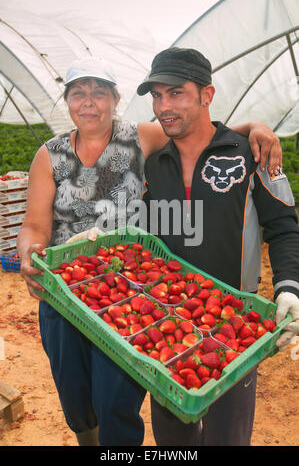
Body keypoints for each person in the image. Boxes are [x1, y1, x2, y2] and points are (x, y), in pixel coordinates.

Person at [17, 56, 285, 447]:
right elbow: (34, 226)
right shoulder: (49, 155)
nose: (88, 102)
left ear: (116, 99)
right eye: (78, 93)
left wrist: (256, 128)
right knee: (74, 395)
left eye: (98, 93)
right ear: (68, 101)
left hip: (127, 289)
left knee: (117, 401)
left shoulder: (140, 137)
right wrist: (30, 252)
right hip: (63, 289)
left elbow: (204, 132)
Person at [137, 47, 299, 446]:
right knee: (173, 435)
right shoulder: (153, 164)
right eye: (156, 96)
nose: (163, 107)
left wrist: (289, 286)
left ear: (207, 95)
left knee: (227, 434)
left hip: (235, 324)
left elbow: (283, 227)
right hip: (166, 323)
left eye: (175, 93)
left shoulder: (253, 153)